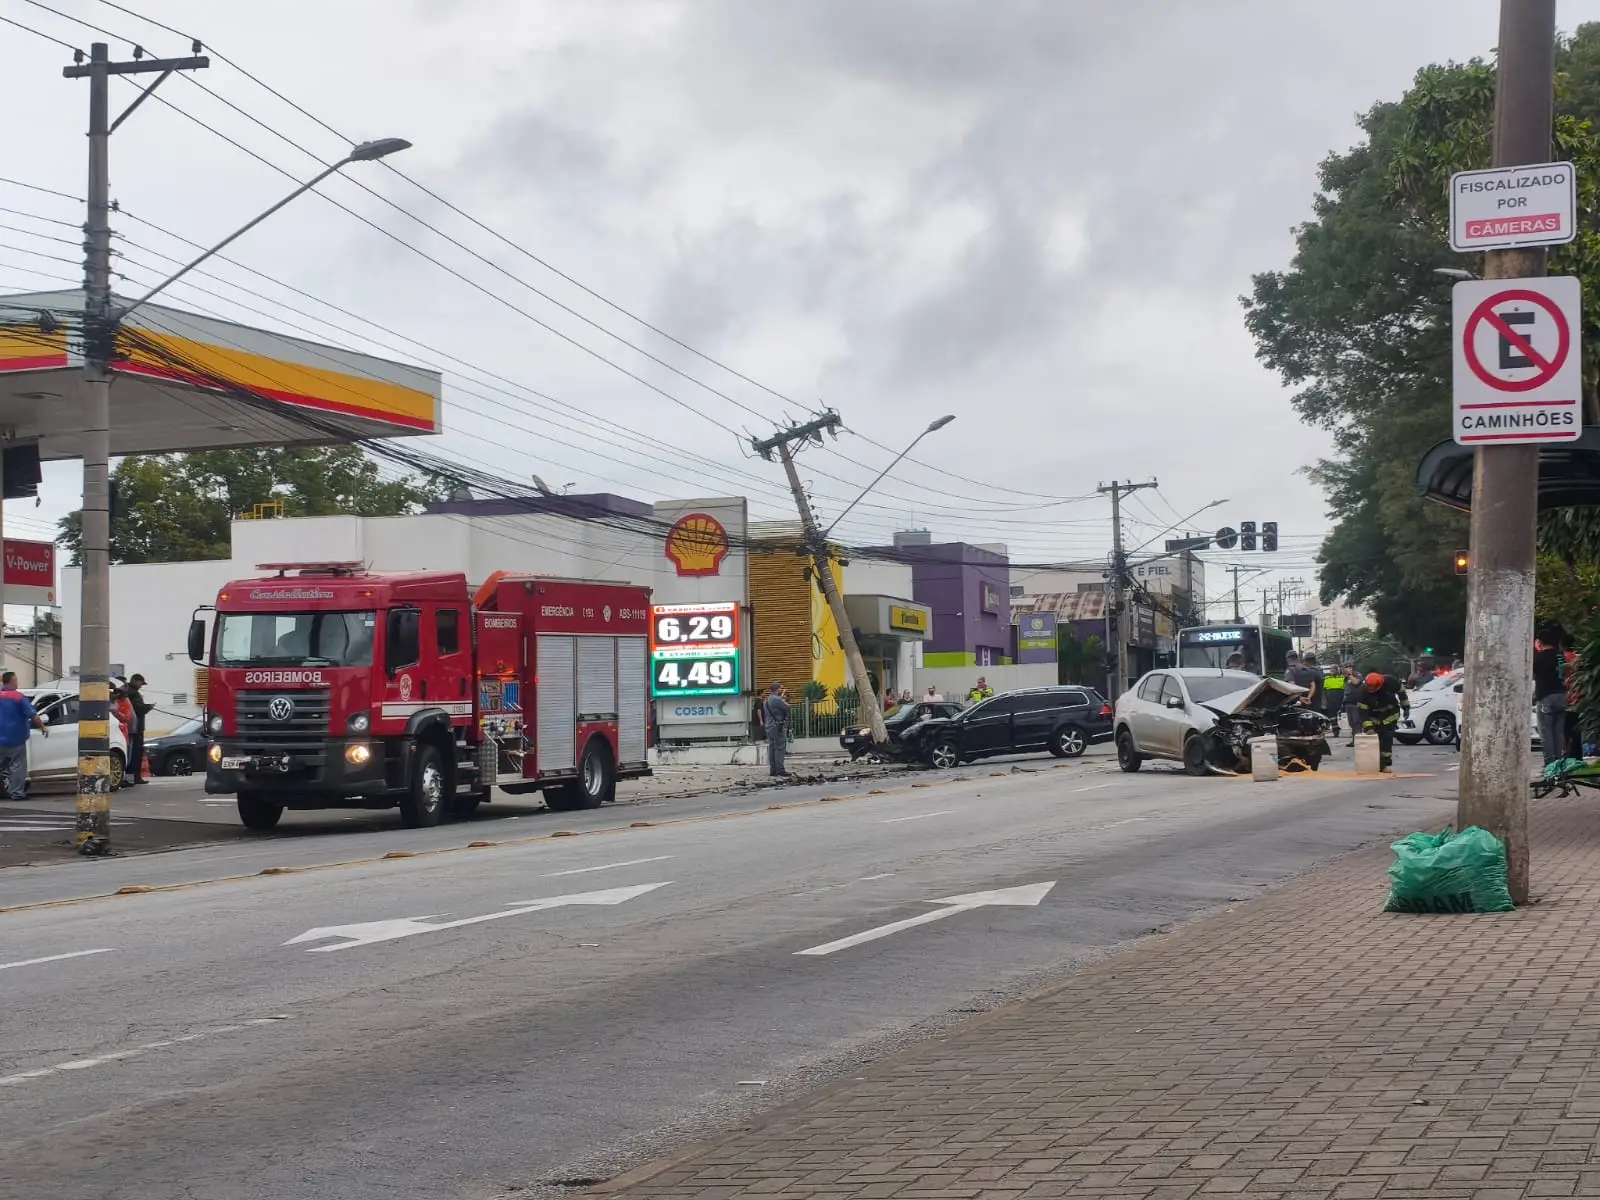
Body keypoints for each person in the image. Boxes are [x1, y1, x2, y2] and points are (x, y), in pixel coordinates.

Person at [0, 670, 45, 800]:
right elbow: (34, 716)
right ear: (12, 681)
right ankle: (17, 793)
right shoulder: (18, 698)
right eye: (16, 680)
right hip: (15, 739)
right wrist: (43, 727)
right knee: (17, 768)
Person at [1358, 671, 1410, 772]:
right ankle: (1377, 764)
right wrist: (1369, 728)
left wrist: (1406, 707)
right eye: (1370, 688)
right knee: (1375, 740)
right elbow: (1362, 712)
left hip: (1390, 714)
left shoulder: (1391, 682)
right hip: (1374, 716)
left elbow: (1402, 693)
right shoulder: (1363, 691)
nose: (1371, 690)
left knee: (1386, 736)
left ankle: (1385, 761)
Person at [1534, 627, 1567, 767]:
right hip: (1561, 696)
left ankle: (1550, 766)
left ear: (1540, 641)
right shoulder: (1560, 656)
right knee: (1558, 733)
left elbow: (1533, 673)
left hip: (1545, 697)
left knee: (1546, 734)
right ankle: (1559, 764)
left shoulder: (1539, 657)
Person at [125, 673, 153, 785]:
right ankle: (135, 777)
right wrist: (149, 707)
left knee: (133, 753)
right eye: (141, 683)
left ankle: (132, 777)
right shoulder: (133, 693)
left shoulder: (127, 691)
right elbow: (139, 709)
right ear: (136, 681)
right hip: (136, 728)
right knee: (136, 753)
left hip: (131, 727)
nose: (141, 686)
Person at [762, 681, 791, 777]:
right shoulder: (776, 699)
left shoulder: (766, 700)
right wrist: (786, 701)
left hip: (769, 726)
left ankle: (773, 770)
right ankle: (780, 770)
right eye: (781, 689)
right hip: (777, 726)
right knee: (780, 747)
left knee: (772, 748)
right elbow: (787, 708)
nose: (782, 690)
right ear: (777, 689)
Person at [1322, 660, 1345, 737]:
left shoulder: (1342, 678)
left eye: (1334, 669)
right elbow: (1324, 690)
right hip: (1330, 699)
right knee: (1332, 716)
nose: (1332, 670)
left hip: (1340, 698)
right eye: (1331, 669)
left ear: (1337, 670)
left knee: (1336, 715)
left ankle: (1336, 729)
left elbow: (1344, 689)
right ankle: (1335, 730)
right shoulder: (1327, 678)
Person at [1343, 668, 1363, 747]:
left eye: (1348, 667)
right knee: (1351, 723)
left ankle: (1359, 740)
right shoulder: (1345, 677)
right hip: (1348, 702)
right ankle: (1355, 740)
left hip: (1356, 703)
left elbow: (1356, 682)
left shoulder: (1357, 674)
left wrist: (1349, 674)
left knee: (1357, 722)